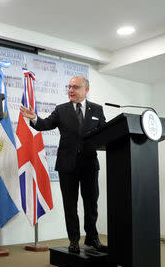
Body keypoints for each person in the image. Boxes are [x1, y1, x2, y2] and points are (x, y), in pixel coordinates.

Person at [20, 76, 106, 254]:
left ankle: (92, 238)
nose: (71, 90)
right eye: (69, 87)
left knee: (91, 204)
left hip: (90, 165)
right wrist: (34, 117)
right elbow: (45, 124)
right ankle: (74, 240)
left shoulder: (97, 109)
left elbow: (105, 134)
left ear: (86, 90)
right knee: (70, 204)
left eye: (75, 87)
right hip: (68, 166)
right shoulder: (61, 110)